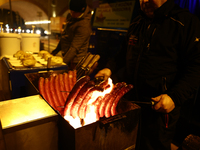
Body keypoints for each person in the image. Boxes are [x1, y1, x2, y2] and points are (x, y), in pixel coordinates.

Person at [95, 0, 200, 149]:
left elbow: (195, 68)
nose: (144, 1)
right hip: (131, 104)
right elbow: (122, 54)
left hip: (160, 109)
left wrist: (174, 97)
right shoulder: (137, 22)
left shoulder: (185, 23)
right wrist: (109, 69)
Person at [51, 0, 92, 70]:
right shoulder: (71, 16)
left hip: (76, 62)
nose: (72, 14)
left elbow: (74, 48)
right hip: (67, 57)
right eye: (71, 11)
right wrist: (56, 50)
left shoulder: (84, 25)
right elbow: (64, 35)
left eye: (75, 12)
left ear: (82, 10)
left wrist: (62, 64)